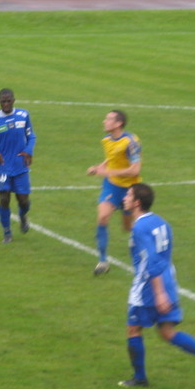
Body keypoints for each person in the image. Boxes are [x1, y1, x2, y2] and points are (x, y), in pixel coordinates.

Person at [118, 183, 195, 388]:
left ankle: (140, 378)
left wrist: (158, 294)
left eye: (128, 195)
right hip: (169, 279)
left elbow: (152, 260)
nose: (124, 197)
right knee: (167, 332)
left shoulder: (140, 227)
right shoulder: (160, 222)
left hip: (149, 285)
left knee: (133, 329)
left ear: (137, 202)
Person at [87, 110, 141, 276]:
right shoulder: (106, 140)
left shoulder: (131, 142)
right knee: (103, 217)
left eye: (108, 119)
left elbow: (135, 170)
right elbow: (112, 160)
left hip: (130, 190)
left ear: (118, 123)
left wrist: (109, 172)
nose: (104, 121)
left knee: (129, 227)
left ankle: (142, 257)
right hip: (112, 187)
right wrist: (98, 168)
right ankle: (103, 261)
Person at [0, 88, 36, 244]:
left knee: (23, 200)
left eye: (8, 100)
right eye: (3, 101)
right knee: (4, 198)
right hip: (3, 165)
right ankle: (7, 233)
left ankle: (23, 215)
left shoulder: (23, 115)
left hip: (20, 164)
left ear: (14, 100)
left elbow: (31, 135)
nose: (6, 103)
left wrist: (28, 151)